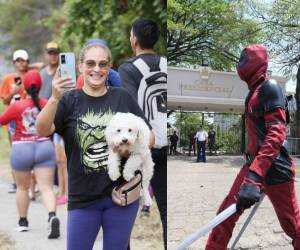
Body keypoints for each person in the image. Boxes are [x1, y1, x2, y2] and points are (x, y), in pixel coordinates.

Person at [36, 39, 154, 250]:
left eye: (102, 64)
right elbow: (42, 130)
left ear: (109, 68)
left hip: (121, 197)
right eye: (90, 63)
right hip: (82, 199)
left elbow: (149, 136)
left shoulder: (122, 97)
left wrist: (130, 149)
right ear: (80, 66)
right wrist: (54, 98)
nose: (96, 69)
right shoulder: (68, 100)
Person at [205, 44, 300, 249]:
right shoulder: (253, 93)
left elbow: (276, 134)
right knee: (224, 216)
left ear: (256, 62)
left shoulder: (270, 87)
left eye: (244, 59)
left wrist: (255, 177)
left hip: (275, 170)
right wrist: (252, 174)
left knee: (292, 226)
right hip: (252, 167)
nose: (239, 64)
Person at [118, 19, 167, 249]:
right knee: (166, 211)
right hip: (165, 146)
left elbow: (129, 107)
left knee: (124, 207)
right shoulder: (167, 64)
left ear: (134, 39)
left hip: (141, 148)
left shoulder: (128, 68)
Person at [0, 70, 60, 238]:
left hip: (21, 148)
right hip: (44, 147)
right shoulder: (47, 103)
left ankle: (23, 222)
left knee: (22, 188)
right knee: (46, 187)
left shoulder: (17, 106)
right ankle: (52, 216)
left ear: (23, 87)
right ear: (40, 85)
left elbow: (1, 121)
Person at [39, 41, 68, 205]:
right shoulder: (42, 73)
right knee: (57, 160)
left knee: (64, 160)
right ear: (46, 54)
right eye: (50, 53)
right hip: (46, 118)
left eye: (56, 53)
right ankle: (60, 190)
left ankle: (67, 192)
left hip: (61, 118)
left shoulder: (64, 72)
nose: (53, 56)